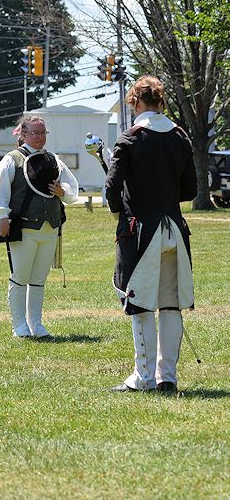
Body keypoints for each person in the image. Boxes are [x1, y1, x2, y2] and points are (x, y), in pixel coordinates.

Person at [107, 76, 197, 394]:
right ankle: (167, 377)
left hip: (141, 230)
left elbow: (111, 189)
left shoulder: (130, 139)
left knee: (141, 304)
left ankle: (143, 377)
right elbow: (191, 189)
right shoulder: (180, 136)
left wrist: (123, 207)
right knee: (171, 305)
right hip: (174, 228)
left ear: (136, 102)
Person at [0, 114, 79, 338]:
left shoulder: (53, 159)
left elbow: (71, 189)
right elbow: (0, 190)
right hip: (23, 226)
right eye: (35, 133)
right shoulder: (12, 159)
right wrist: (2, 216)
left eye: (43, 133)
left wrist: (63, 192)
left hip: (49, 226)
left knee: (39, 279)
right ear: (23, 134)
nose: (40, 137)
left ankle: (36, 325)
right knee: (19, 276)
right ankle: (19, 326)